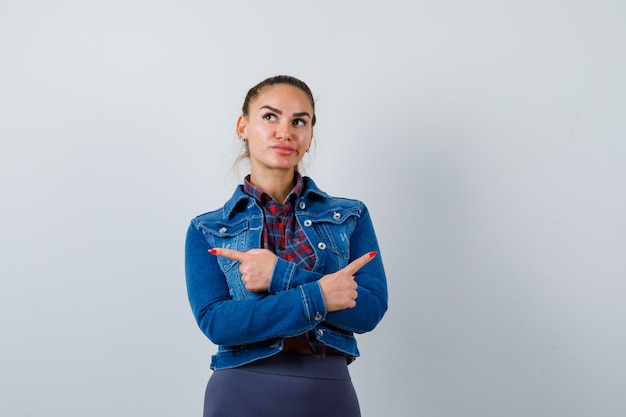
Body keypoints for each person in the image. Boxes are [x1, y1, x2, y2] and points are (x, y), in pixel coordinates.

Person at [185, 75, 388, 417]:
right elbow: (218, 324)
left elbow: (368, 311)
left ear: (310, 135)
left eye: (299, 121)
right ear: (243, 126)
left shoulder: (351, 215)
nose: (285, 132)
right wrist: (321, 294)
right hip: (240, 391)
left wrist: (281, 276)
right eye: (269, 117)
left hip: (328, 391)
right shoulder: (208, 229)